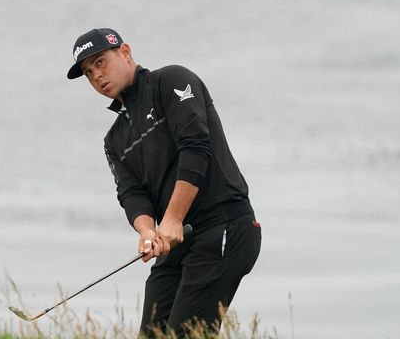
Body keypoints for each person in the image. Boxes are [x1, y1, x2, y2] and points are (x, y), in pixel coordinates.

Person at [67, 28, 261, 337]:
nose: (97, 76)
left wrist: (171, 218)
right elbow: (131, 194)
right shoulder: (114, 140)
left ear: (125, 52)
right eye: (89, 73)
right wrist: (147, 231)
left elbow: (196, 148)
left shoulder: (171, 81)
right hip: (178, 240)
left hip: (223, 227)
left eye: (100, 62)